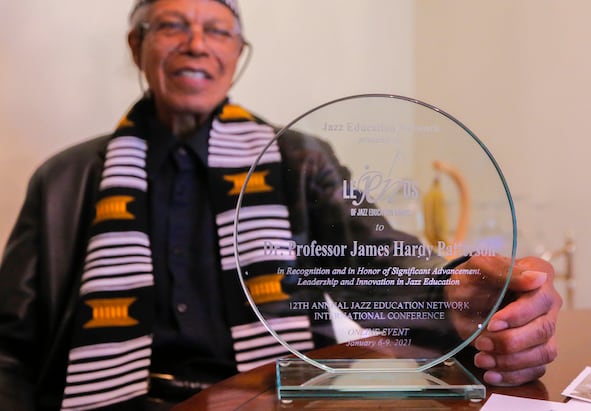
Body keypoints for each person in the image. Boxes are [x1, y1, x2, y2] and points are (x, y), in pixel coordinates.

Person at [0, 0, 562, 410]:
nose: (197, 43)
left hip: (275, 398)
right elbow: (11, 349)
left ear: (237, 54)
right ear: (136, 45)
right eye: (172, 25)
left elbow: (378, 269)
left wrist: (457, 295)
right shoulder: (65, 177)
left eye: (218, 30)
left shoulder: (300, 159)